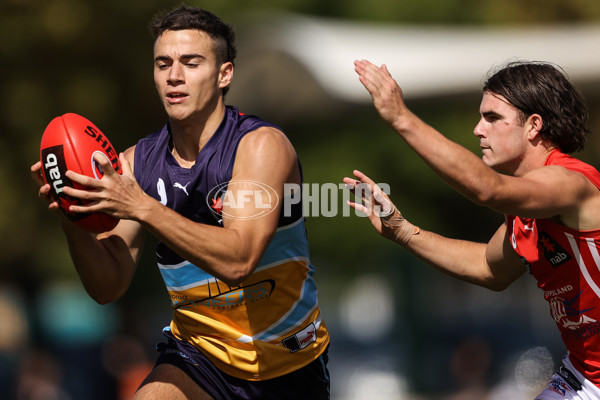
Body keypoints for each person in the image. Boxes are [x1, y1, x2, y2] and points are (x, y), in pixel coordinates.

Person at [31, 6, 330, 400]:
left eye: (191, 63)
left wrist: (143, 207)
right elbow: (108, 284)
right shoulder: (135, 165)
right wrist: (72, 215)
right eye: (163, 63)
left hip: (287, 363)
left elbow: (239, 260)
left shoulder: (260, 147)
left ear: (224, 74)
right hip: (199, 359)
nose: (174, 76)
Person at [345, 59, 600, 399]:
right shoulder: (525, 209)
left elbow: (488, 190)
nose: (478, 130)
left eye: (493, 118)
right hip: (582, 375)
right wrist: (403, 231)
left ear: (533, 126)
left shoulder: (568, 181)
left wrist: (401, 117)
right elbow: (488, 268)